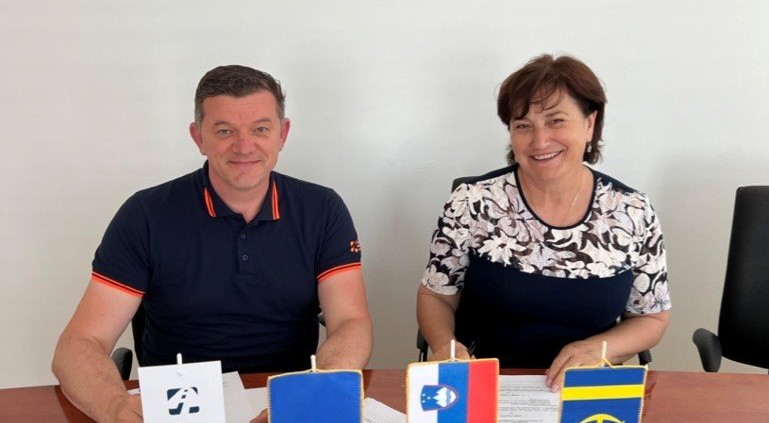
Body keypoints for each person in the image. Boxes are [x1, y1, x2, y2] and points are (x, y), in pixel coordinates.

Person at [52, 65, 373, 422]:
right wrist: (114, 407)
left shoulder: (322, 209)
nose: (244, 147)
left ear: (282, 134)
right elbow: (80, 343)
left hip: (283, 400)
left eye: (261, 129)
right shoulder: (145, 215)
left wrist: (312, 395)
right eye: (224, 131)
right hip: (179, 407)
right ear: (198, 137)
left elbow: (350, 322)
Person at [416, 54, 670, 392]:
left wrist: (600, 348)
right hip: (485, 383)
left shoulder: (632, 211)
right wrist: (445, 346)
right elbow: (436, 296)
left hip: (587, 392)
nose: (540, 141)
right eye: (523, 126)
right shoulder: (473, 202)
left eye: (556, 121)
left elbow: (651, 316)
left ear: (590, 124)